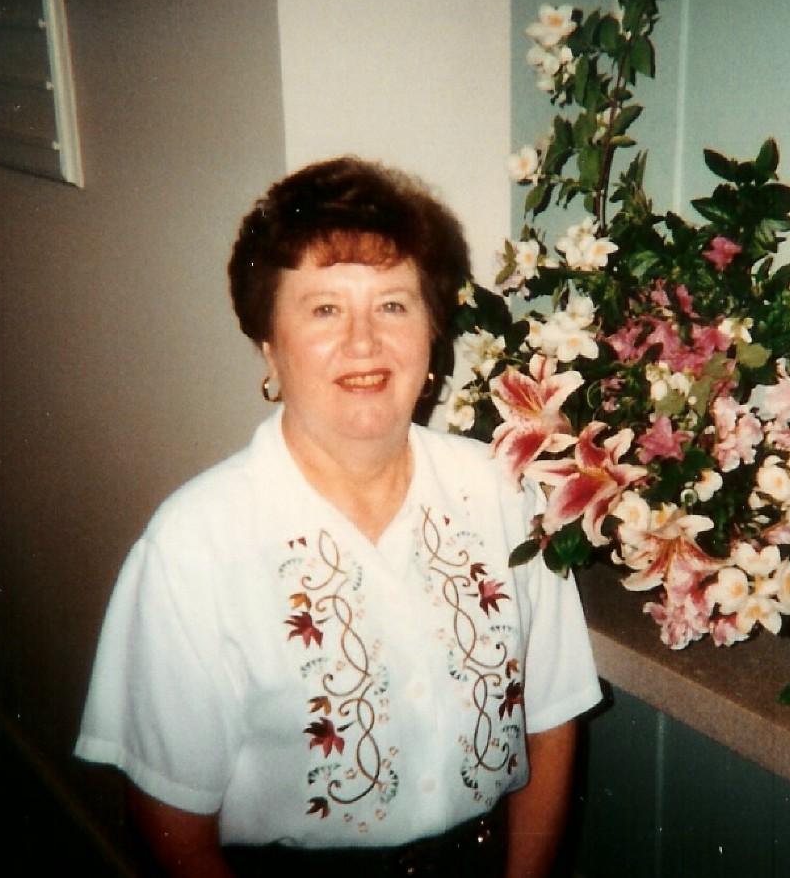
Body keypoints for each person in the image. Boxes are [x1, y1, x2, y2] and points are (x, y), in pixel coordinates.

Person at [75, 157, 603, 877]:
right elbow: (171, 826)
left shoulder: (502, 494)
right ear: (269, 344)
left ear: (431, 332)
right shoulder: (196, 546)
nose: (364, 342)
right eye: (324, 308)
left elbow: (551, 721)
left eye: (393, 304)